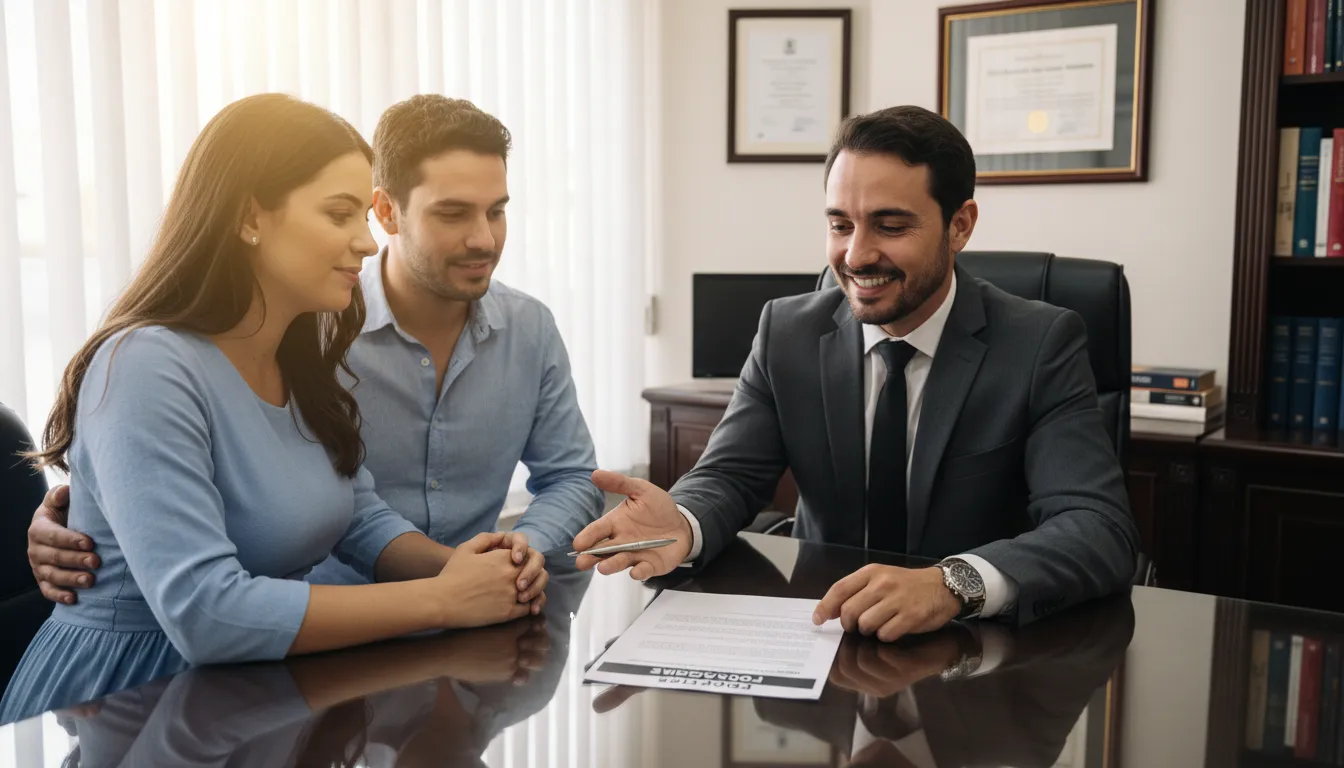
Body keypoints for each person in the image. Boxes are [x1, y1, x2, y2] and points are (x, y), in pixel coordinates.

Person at [0, 94, 542, 724]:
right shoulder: (146, 363)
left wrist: (477, 573)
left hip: (254, 694)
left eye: (363, 216)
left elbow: (352, 511)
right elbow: (206, 612)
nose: (367, 243)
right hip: (130, 704)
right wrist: (444, 600)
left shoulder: (299, 345)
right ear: (249, 216)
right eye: (340, 214)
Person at [572, 105, 1139, 640]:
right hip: (823, 639)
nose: (856, 255)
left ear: (960, 225)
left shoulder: (1039, 343)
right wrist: (684, 520)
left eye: (890, 226)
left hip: (974, 657)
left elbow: (1096, 527)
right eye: (841, 225)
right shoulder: (786, 331)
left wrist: (952, 583)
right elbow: (730, 476)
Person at [25, 95, 604, 597]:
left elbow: (568, 477)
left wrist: (505, 563)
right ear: (387, 211)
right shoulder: (306, 325)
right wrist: (83, 513)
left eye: (497, 211)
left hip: (467, 619)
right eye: (453, 214)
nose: (484, 238)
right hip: (309, 639)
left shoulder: (528, 328)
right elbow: (170, 488)